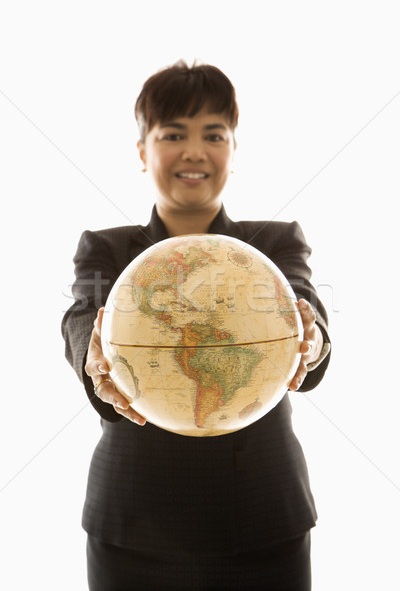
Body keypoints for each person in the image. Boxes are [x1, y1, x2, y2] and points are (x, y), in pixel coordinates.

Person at [62, 60, 331, 591]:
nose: (194, 151)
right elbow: (80, 317)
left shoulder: (273, 241)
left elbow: (302, 300)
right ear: (143, 151)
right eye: (173, 134)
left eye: (214, 134)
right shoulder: (107, 247)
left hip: (262, 521)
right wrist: (91, 355)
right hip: (135, 525)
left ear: (233, 149)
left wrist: (314, 335)